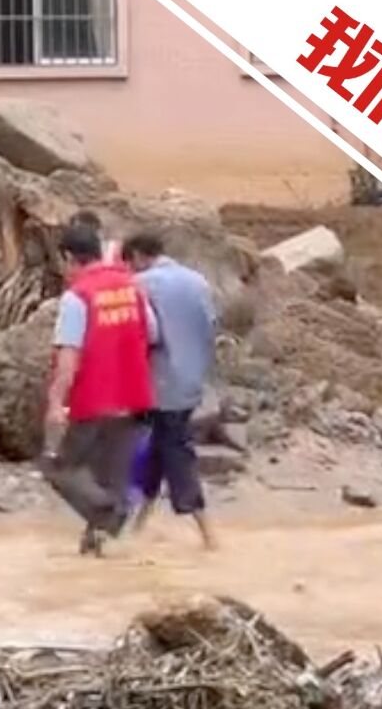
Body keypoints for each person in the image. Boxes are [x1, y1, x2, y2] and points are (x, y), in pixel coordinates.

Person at [41, 211, 158, 557]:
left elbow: (69, 357)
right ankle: (97, 546)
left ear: (68, 258)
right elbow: (151, 333)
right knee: (109, 479)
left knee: (60, 468)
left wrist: (55, 403)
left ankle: (111, 514)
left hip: (95, 400)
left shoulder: (78, 297)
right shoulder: (130, 287)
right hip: (133, 398)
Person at [122, 233, 219, 550]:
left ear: (136, 256)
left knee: (175, 452)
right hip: (192, 381)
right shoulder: (198, 282)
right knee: (158, 450)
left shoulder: (141, 284)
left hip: (160, 384)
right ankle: (138, 527)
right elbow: (212, 327)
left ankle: (209, 536)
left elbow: (147, 333)